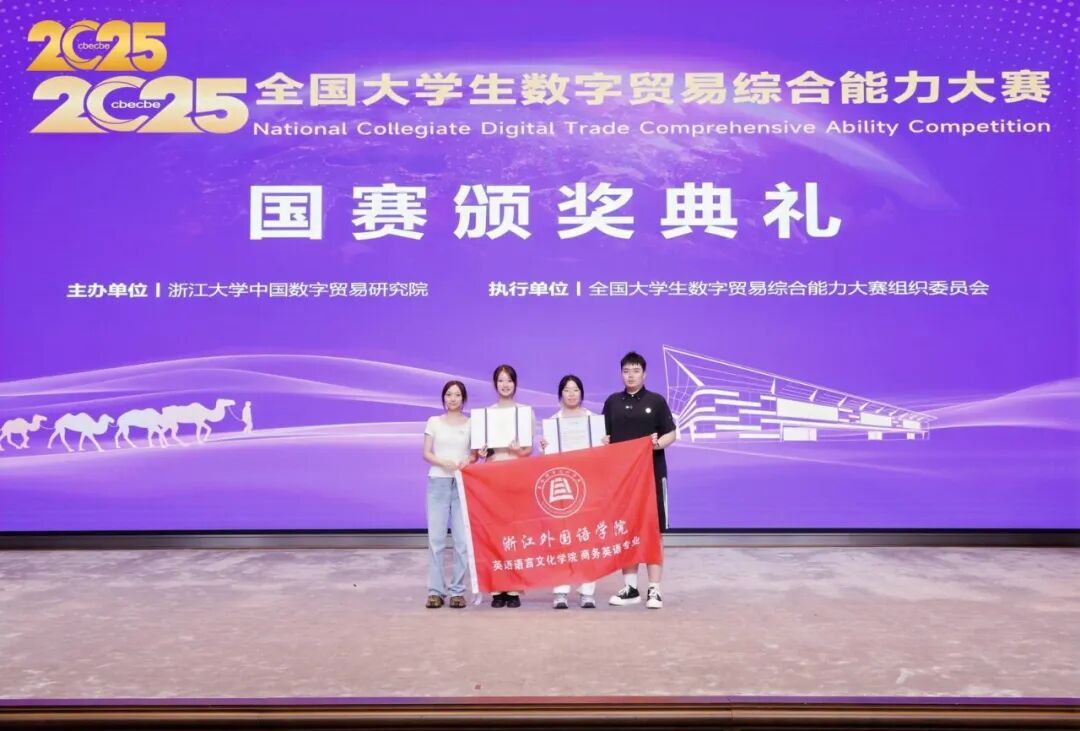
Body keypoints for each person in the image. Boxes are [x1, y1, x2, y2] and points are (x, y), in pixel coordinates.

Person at [602, 351, 677, 610]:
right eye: (626, 371)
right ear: (621, 374)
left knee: (653, 531)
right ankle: (630, 587)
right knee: (626, 529)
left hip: (652, 475)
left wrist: (657, 444)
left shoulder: (656, 401)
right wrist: (604, 441)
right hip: (622, 479)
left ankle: (654, 588)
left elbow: (671, 433)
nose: (630, 375)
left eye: (635, 371)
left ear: (644, 374)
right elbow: (604, 436)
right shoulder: (612, 403)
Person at [475, 364, 533, 608]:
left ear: (515, 383)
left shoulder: (524, 412)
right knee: (494, 531)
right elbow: (481, 451)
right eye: (500, 380)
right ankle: (497, 588)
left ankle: (514, 588)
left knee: (515, 531)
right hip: (493, 474)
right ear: (494, 384)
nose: (505, 384)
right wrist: (481, 452)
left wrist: (519, 451)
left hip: (516, 473)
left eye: (509, 380)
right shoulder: (486, 414)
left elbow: (529, 450)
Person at [540, 374, 598, 609]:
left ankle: (587, 591)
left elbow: (601, 455)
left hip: (588, 484)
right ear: (560, 394)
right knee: (561, 536)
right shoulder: (553, 422)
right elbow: (548, 460)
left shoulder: (593, 420)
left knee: (586, 536)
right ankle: (560, 591)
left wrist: (604, 443)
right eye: (567, 390)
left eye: (575, 390)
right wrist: (545, 448)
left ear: (581, 393)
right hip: (562, 485)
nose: (571, 394)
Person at [421, 380, 474, 609]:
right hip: (438, 482)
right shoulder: (434, 422)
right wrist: (443, 463)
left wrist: (468, 460)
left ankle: (457, 591)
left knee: (462, 541)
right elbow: (426, 453)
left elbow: (474, 455)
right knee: (437, 540)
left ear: (464, 399)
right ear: (443, 398)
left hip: (462, 483)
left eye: (457, 395)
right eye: (449, 394)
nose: (453, 398)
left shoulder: (471, 424)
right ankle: (435, 591)